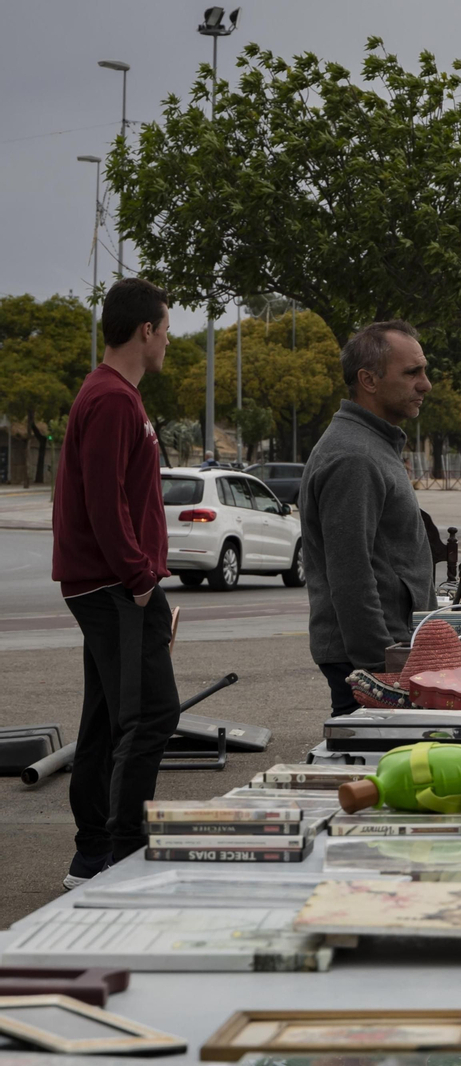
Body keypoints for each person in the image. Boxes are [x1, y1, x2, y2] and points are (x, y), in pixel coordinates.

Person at [51, 277, 181, 888]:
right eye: (166, 330)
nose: (167, 344)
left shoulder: (117, 396)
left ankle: (92, 853)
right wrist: (138, 578)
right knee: (151, 714)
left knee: (108, 718)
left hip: (112, 583)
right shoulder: (110, 399)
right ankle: (122, 856)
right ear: (145, 330)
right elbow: (105, 503)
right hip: (112, 585)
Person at [299, 321, 437, 715]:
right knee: (372, 771)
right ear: (368, 380)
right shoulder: (355, 457)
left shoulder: (374, 443)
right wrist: (380, 668)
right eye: (412, 372)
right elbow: (351, 576)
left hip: (387, 655)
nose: (425, 384)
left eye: (424, 370)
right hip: (373, 665)